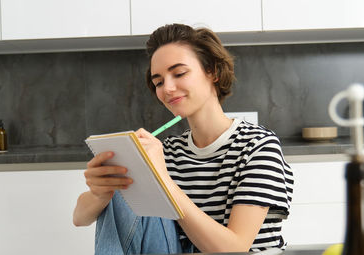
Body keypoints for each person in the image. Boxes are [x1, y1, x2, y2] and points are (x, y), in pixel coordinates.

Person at [73, 23, 294, 254]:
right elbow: (79, 218)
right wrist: (100, 192)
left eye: (179, 73)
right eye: (158, 82)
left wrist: (164, 181)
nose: (167, 88)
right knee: (123, 179)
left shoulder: (258, 146)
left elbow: (234, 249)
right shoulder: (167, 152)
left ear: (213, 72)